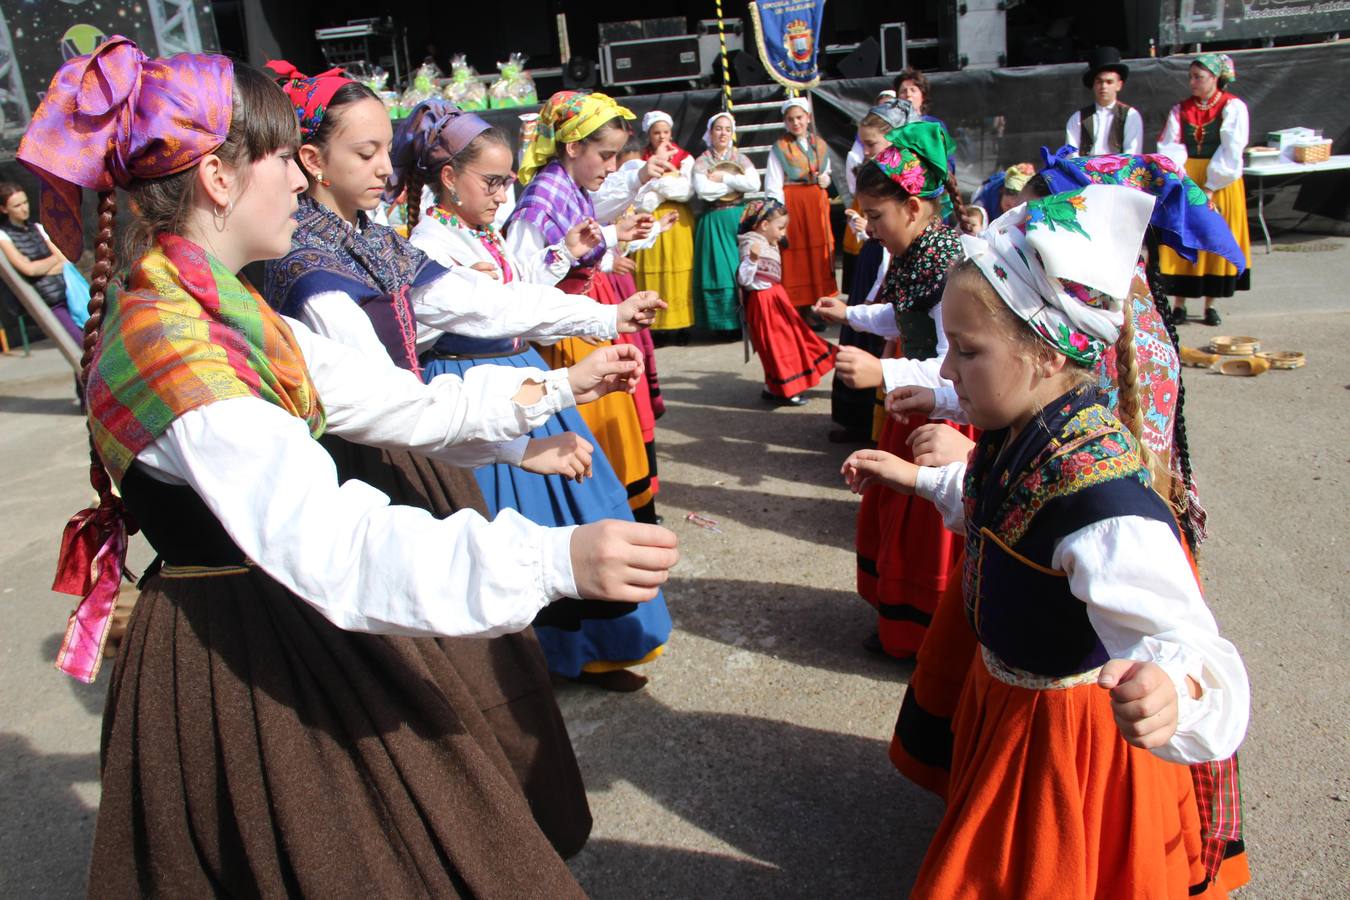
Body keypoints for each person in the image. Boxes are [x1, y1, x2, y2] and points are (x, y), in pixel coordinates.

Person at [19, 37, 678, 895]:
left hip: (287, 616)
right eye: (278, 159)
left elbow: (391, 401)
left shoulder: (214, 310)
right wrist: (552, 559)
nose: (300, 179)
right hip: (251, 654)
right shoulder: (175, 348)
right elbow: (332, 542)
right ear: (218, 177)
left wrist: (546, 395)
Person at [842, 183, 1249, 897]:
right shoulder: (1022, 433)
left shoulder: (1106, 506)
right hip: (1006, 701)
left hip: (1058, 741)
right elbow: (1005, 517)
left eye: (965, 351)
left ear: (1049, 355)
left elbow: (1198, 650)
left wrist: (1173, 692)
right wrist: (915, 479)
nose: (944, 370)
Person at [397, 98, 674, 689]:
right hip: (477, 387)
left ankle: (590, 650)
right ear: (449, 178)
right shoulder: (430, 245)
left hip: (517, 371)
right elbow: (498, 307)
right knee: (510, 522)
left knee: (578, 506)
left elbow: (518, 292)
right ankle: (530, 663)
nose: (504, 193)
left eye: (508, 181)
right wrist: (602, 314)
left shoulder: (474, 232)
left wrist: (569, 264)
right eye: (492, 181)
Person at [812, 120, 971, 660]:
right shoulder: (918, 256)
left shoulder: (954, 266)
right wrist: (851, 311)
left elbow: (957, 367)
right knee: (896, 515)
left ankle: (933, 639)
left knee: (928, 528)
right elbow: (901, 315)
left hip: (948, 415)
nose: (869, 229)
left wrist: (887, 374)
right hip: (915, 401)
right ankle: (903, 626)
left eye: (876, 217)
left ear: (914, 207)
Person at [507, 91, 666, 524]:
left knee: (615, 433)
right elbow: (521, 284)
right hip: (563, 341)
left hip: (585, 325)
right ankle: (600, 526)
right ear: (573, 146)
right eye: (606, 154)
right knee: (589, 440)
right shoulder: (539, 201)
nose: (612, 166)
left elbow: (589, 228)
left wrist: (614, 234)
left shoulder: (568, 186)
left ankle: (621, 518)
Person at [830, 99, 916, 444]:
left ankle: (874, 426)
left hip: (884, 260)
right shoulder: (873, 172)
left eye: (872, 144)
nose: (866, 151)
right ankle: (858, 422)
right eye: (862, 144)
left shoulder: (902, 181)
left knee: (876, 344)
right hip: (870, 261)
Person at [1157, 53, 1251, 327]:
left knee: (1214, 235)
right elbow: (1171, 145)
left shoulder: (1232, 107)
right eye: (1191, 76)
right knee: (1184, 234)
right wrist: (1180, 179)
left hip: (1220, 179)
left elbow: (1232, 148)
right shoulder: (1181, 109)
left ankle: (1211, 304)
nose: (1193, 82)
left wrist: (1210, 186)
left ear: (1215, 78)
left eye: (1199, 76)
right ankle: (1179, 303)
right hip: (1189, 176)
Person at [736, 199, 837, 406]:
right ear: (764, 225)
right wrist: (752, 260)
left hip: (775, 298)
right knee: (777, 345)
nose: (783, 233)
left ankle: (773, 386)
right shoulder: (751, 244)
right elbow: (744, 280)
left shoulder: (767, 243)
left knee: (789, 339)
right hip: (764, 303)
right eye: (780, 228)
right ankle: (787, 389)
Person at [692, 111, 761, 336]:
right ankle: (724, 325)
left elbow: (753, 183)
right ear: (710, 133)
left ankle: (747, 319)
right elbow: (704, 191)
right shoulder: (703, 160)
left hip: (738, 217)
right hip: (714, 219)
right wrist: (736, 186)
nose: (723, 133)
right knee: (720, 271)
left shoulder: (739, 158)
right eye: (718, 129)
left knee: (743, 265)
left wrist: (724, 179)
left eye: (727, 129)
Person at [764, 97, 837, 309]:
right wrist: (778, 214)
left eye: (799, 118)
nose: (796, 123)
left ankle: (821, 298)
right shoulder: (780, 148)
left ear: (808, 118)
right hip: (794, 203)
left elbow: (826, 171)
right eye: (790, 119)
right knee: (797, 251)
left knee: (819, 249)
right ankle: (800, 303)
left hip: (816, 203)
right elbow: (773, 183)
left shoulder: (819, 145)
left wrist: (826, 179)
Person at [633, 110, 697, 337]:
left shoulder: (685, 158)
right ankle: (655, 326)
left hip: (678, 220)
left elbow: (685, 191)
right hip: (649, 219)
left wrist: (656, 183)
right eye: (656, 132)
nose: (661, 137)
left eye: (665, 132)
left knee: (679, 270)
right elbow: (639, 198)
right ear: (649, 134)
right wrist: (668, 179)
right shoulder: (639, 159)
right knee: (651, 269)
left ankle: (681, 327)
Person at [0, 182, 86, 343]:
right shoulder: (3, 236)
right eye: (17, 205)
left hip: (71, 293)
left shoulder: (38, 228)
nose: (24, 208)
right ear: (4, 209)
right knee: (79, 346)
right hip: (50, 302)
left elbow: (65, 259)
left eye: (25, 202)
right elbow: (28, 270)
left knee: (93, 345)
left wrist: (40, 267)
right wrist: (53, 261)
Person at [1064, 47, 1144, 157]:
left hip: (1119, 172)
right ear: (1093, 85)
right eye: (1099, 81)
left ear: (1119, 85)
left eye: (1109, 82)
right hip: (1084, 173)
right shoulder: (1077, 118)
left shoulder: (1130, 116)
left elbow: (1131, 156)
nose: (1103, 86)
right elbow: (1071, 156)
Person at [963, 162, 1035, 235]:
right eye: (1010, 192)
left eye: (1019, 196)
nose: (1012, 201)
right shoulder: (983, 202)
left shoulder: (1031, 210)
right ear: (1002, 189)